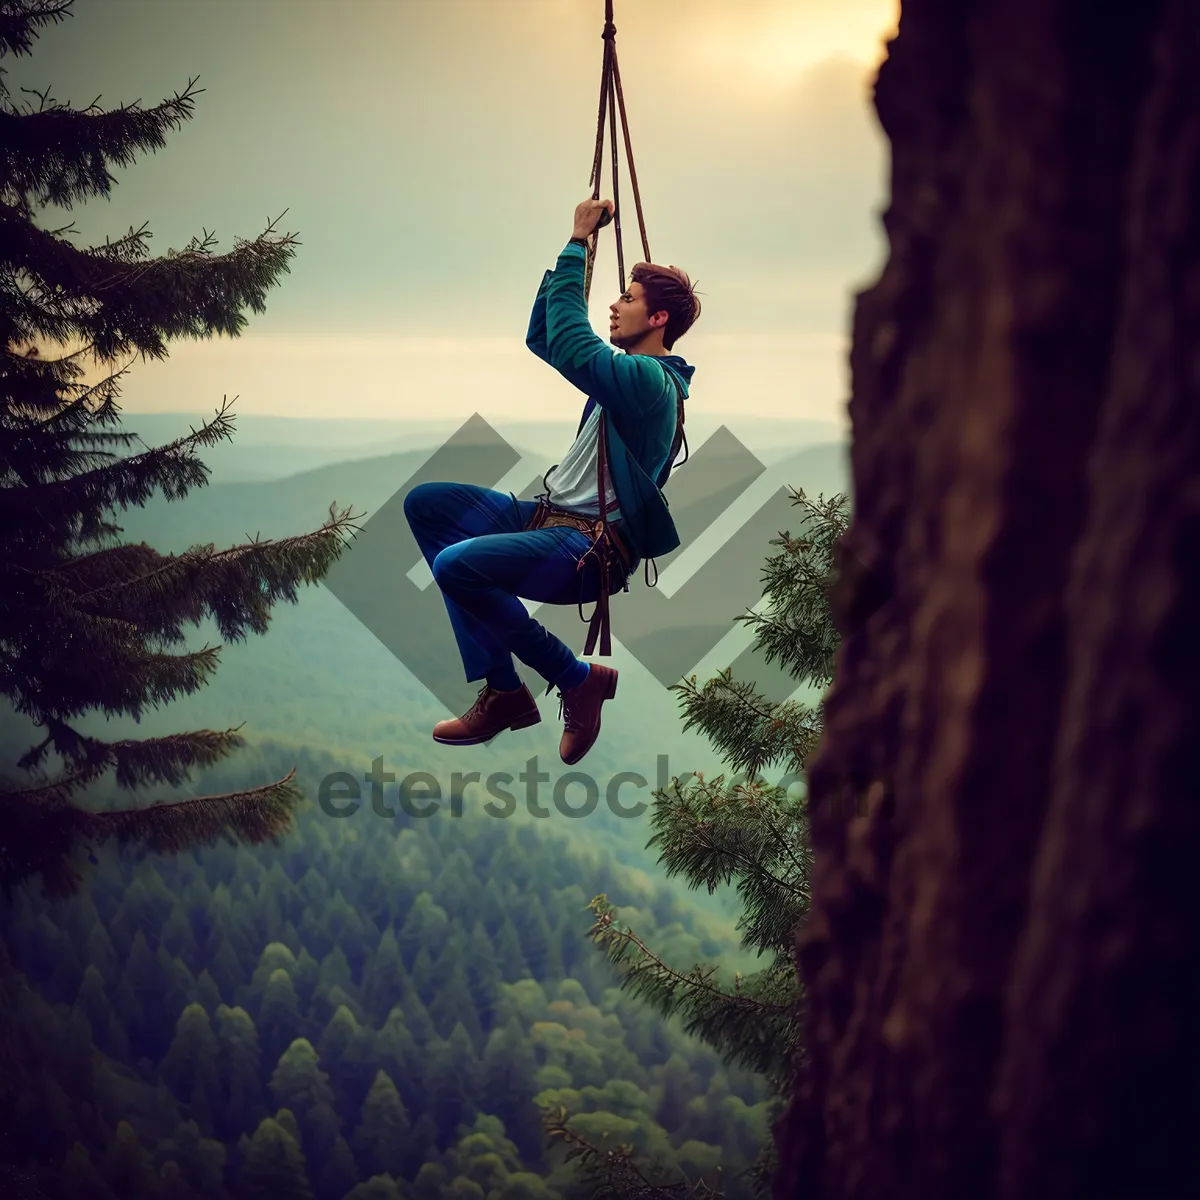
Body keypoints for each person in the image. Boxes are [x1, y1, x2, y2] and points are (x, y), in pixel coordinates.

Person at [403, 197, 700, 765]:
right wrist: (578, 252)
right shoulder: (629, 377)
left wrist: (577, 238)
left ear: (658, 319)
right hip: (551, 520)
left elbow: (568, 342)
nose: (614, 308)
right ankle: (507, 691)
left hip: (587, 550)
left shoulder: (648, 382)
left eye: (628, 299)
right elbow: (545, 337)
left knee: (455, 566)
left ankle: (570, 678)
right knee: (429, 507)